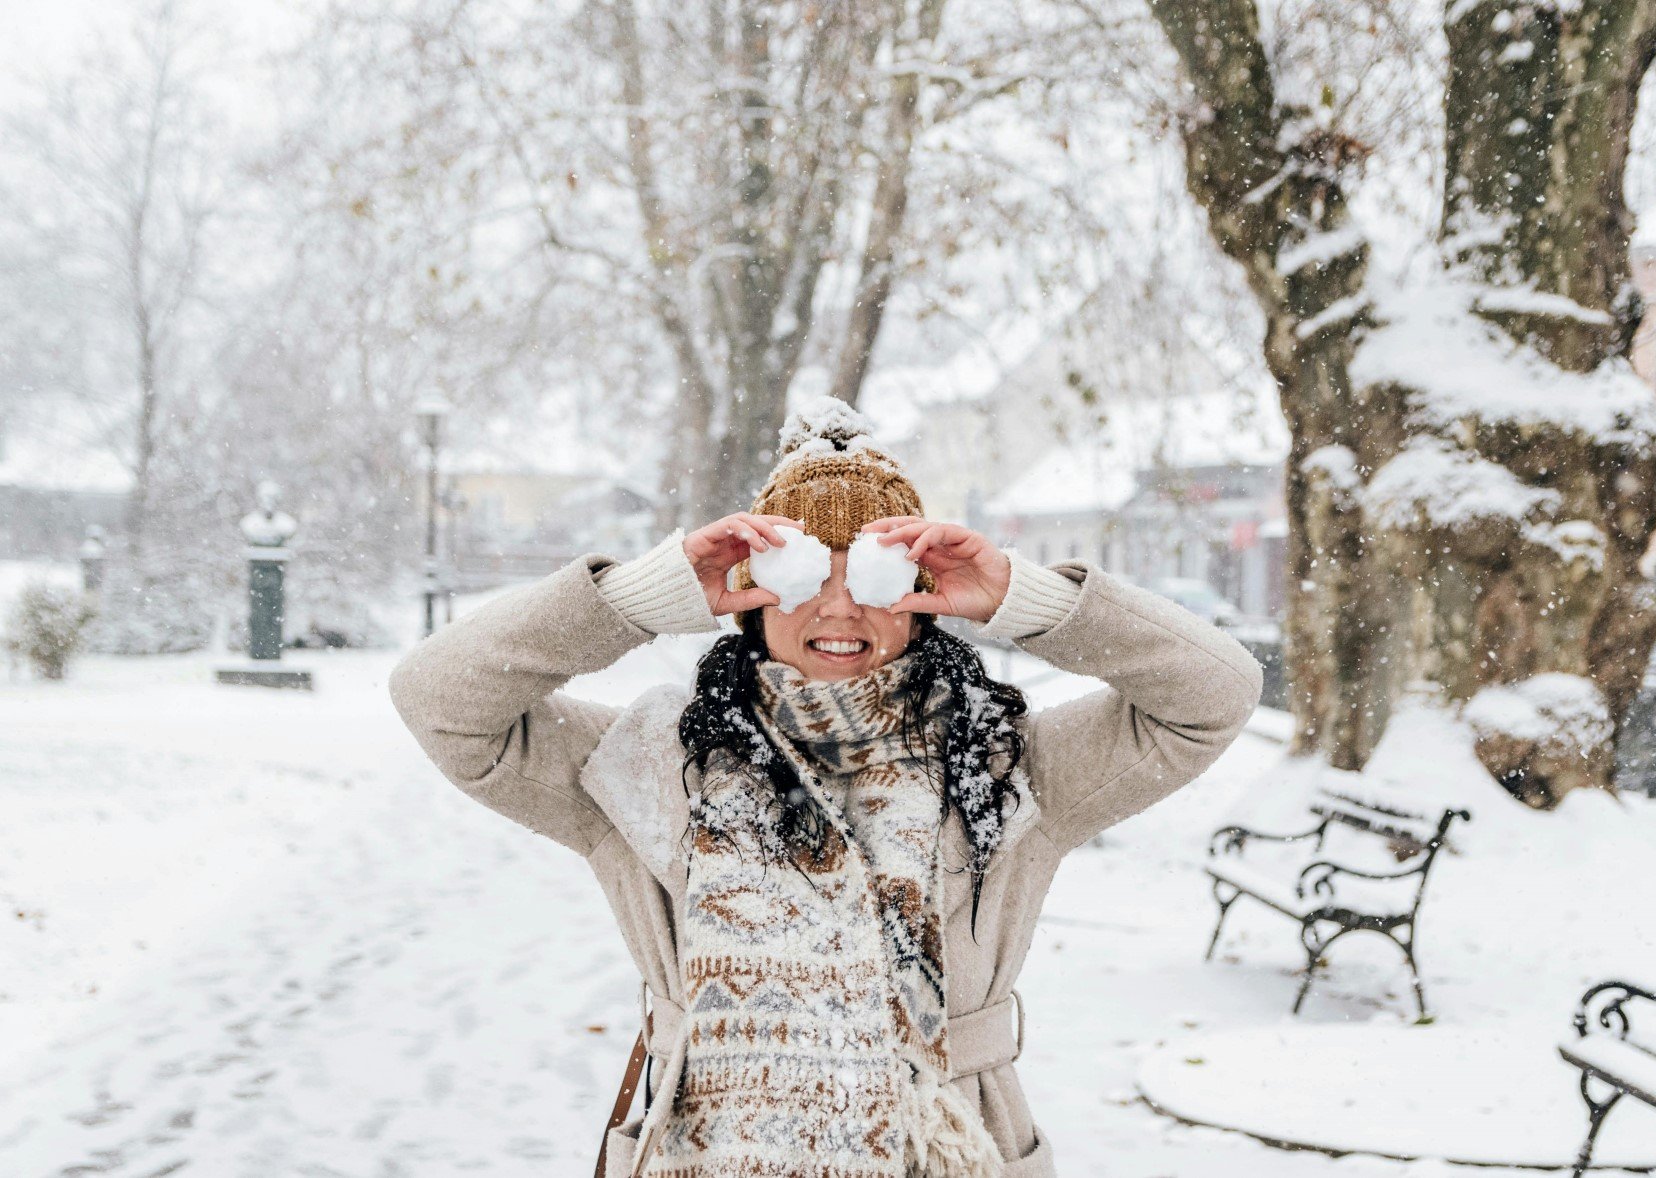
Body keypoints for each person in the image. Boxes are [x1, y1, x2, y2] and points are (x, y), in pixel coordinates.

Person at [388, 403, 1262, 1177]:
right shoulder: (649, 762)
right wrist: (635, 599)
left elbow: (1215, 694)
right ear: (752, 596)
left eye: (874, 576)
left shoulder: (1003, 760)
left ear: (921, 591)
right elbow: (439, 700)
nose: (840, 610)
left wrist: (1021, 599)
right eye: (809, 574)